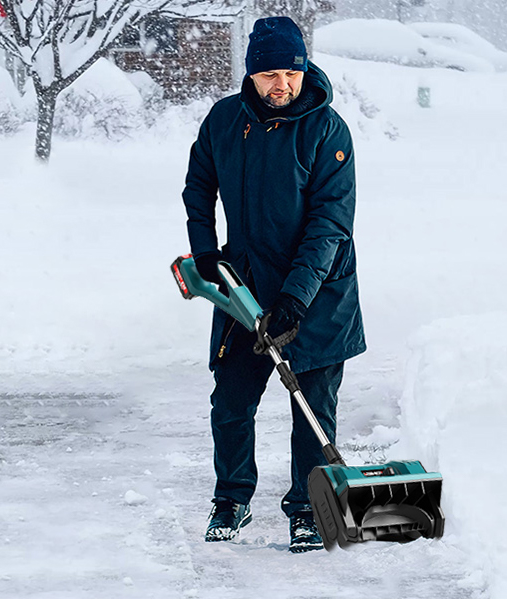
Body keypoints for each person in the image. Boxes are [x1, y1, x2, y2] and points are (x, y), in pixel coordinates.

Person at [181, 16, 365, 553]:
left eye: (291, 72)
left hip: (318, 294)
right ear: (251, 75)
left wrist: (294, 300)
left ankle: (307, 510)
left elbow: (330, 225)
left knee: (311, 411)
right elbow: (198, 187)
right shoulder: (224, 120)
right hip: (245, 290)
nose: (281, 84)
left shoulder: (328, 131)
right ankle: (232, 500)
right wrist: (206, 252)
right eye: (269, 74)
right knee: (232, 401)